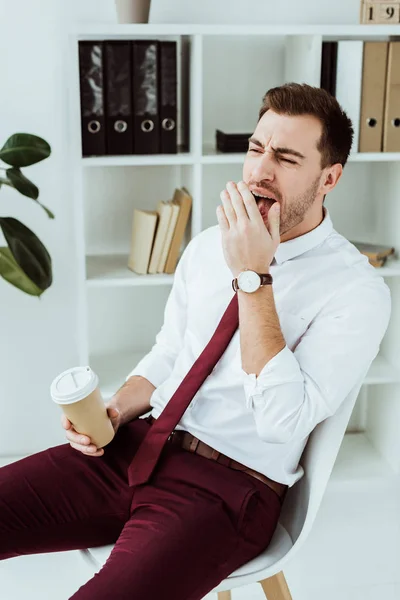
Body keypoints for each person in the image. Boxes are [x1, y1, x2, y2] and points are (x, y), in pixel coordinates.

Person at [0, 83, 391, 600]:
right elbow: (171, 352)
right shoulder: (209, 246)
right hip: (138, 446)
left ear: (329, 178)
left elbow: (282, 423)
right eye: (256, 148)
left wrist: (253, 276)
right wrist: (117, 408)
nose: (260, 171)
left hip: (226, 491)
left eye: (286, 158)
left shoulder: (357, 291)